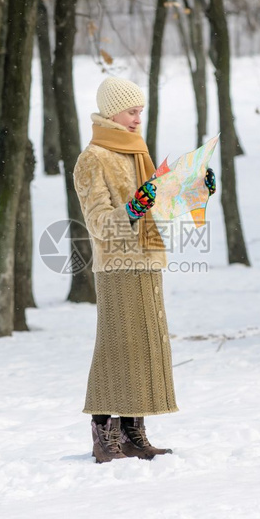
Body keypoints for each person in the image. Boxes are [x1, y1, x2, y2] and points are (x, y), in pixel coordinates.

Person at [73, 77, 216, 464]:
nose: (139, 119)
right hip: (117, 266)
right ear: (111, 112)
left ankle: (133, 433)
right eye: (132, 111)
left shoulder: (137, 152)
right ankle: (105, 436)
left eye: (141, 111)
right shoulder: (93, 158)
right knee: (117, 347)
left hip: (148, 260)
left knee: (144, 349)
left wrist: (197, 189)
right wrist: (135, 206)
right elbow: (100, 225)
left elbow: (160, 205)